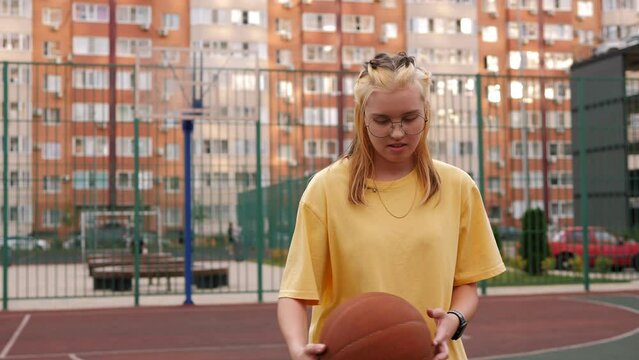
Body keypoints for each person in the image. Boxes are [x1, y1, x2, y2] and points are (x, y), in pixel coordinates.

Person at [277, 52, 506, 360]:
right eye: (382, 121)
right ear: (362, 118)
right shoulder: (327, 189)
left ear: (426, 112)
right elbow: (293, 295)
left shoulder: (457, 186)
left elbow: (466, 285)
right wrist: (296, 348)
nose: (397, 133)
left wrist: (453, 319)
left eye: (410, 118)